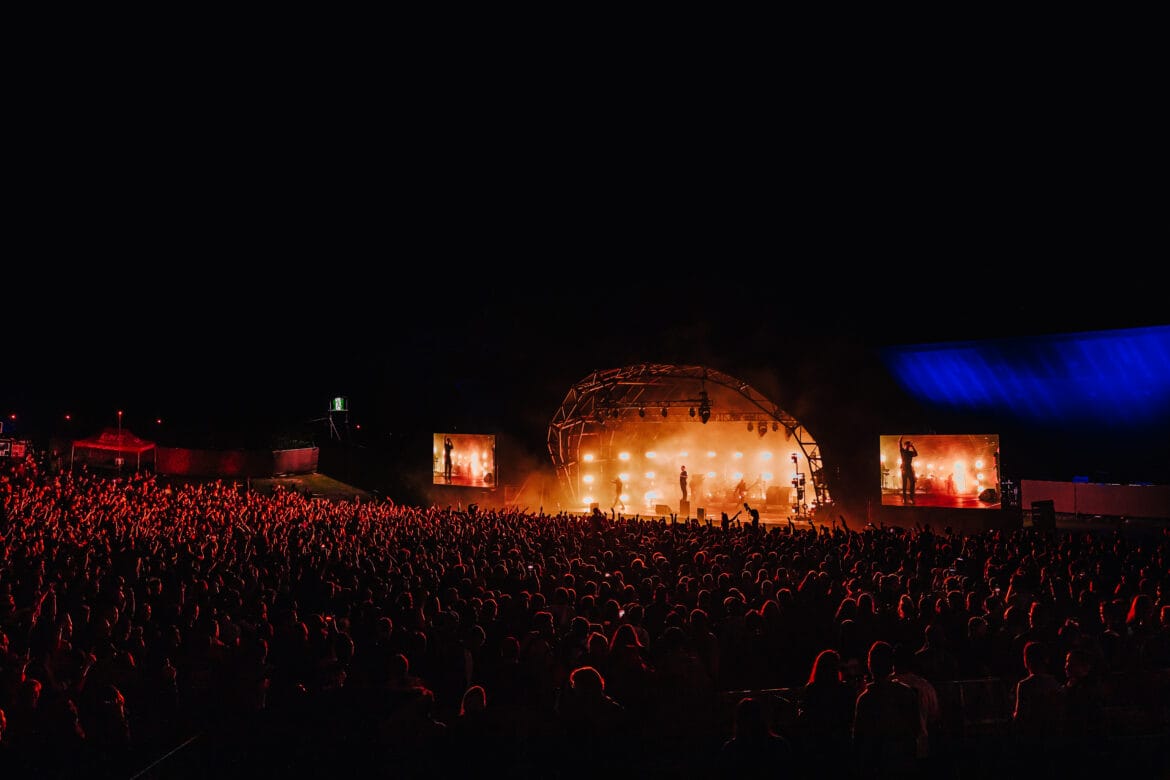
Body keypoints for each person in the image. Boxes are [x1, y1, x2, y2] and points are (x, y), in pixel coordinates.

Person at [898, 436, 918, 503]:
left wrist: (912, 446)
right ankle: (904, 499)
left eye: (908, 445)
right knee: (904, 484)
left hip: (909, 468)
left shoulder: (910, 452)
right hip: (904, 469)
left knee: (912, 482)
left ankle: (911, 498)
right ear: (904, 445)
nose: (907, 446)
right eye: (907, 445)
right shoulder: (902, 451)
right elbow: (899, 443)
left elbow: (916, 454)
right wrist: (901, 437)